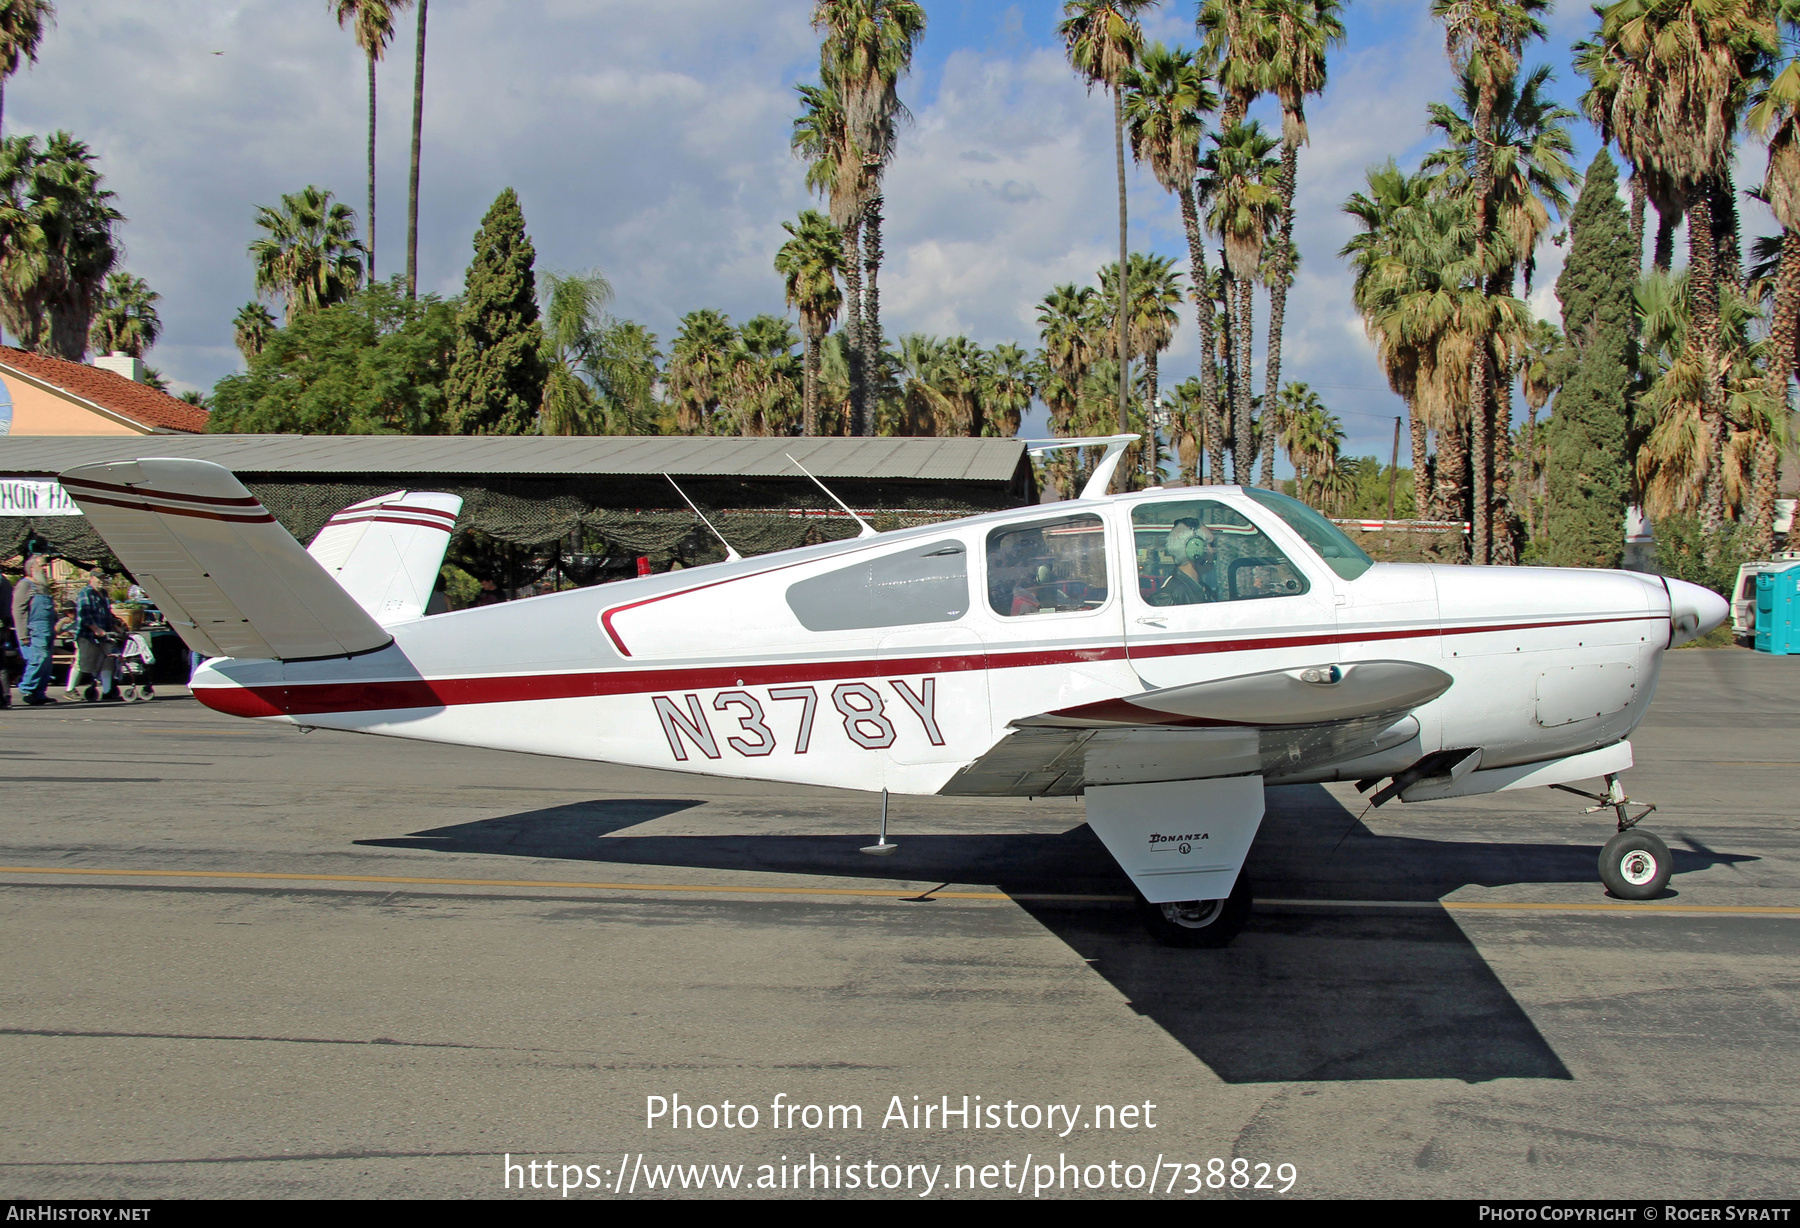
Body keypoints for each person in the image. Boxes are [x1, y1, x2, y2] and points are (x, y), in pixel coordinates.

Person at [65, 569, 124, 703]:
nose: (102, 581)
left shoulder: (103, 594)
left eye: (103, 578)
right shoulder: (86, 593)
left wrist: (116, 627)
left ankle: (107, 691)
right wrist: (95, 629)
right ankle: (70, 689)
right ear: (92, 578)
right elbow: (84, 614)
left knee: (107, 661)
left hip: (104, 634)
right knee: (82, 662)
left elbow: (108, 614)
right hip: (87, 636)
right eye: (99, 578)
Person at [11, 556, 58, 705]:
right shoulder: (25, 585)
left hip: (47, 629)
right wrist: (22, 634)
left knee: (47, 663)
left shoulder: (43, 587)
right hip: (34, 630)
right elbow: (18, 611)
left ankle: (39, 693)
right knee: (38, 659)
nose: (45, 569)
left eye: (45, 566)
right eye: (41, 566)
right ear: (31, 568)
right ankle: (27, 688)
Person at [1150, 519, 1218, 607]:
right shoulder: (1168, 597)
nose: (1215, 550)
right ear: (1195, 550)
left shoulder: (1205, 590)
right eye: (1211, 544)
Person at [0, 567, 14, 708]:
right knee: (1, 663)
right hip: (3, 625)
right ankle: (5, 696)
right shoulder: (4, 581)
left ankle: (3, 697)